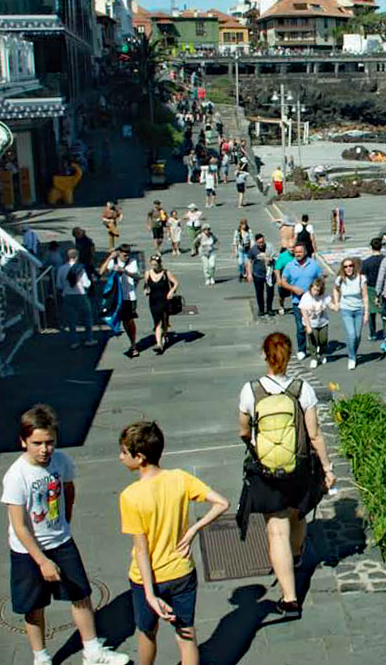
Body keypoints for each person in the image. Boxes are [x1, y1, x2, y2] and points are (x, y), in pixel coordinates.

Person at [2, 405, 129, 665]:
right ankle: (41, 657)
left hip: (60, 541)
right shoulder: (16, 476)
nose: (44, 449)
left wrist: (65, 519)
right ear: (23, 441)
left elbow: (68, 488)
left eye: (49, 442)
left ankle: (92, 651)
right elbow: (20, 526)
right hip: (28, 551)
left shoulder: (61, 461)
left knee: (80, 594)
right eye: (37, 443)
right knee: (33, 607)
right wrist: (42, 561)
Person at [236, 333, 335, 621]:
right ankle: (297, 555)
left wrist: (257, 447)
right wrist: (327, 468)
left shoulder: (251, 390)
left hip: (267, 470)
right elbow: (314, 435)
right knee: (298, 513)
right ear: (289, 357)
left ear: (265, 356)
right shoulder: (302, 389)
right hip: (299, 467)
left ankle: (290, 599)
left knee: (276, 530)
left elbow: (243, 430)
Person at [119, 421, 229, 665]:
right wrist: (193, 530)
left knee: (147, 633)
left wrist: (150, 594)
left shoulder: (130, 496)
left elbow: (141, 549)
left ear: (140, 457)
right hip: (182, 572)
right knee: (186, 634)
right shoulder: (180, 478)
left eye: (124, 452)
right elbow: (222, 503)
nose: (121, 457)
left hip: (148, 578)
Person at [279, 244, 324, 360]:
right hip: (297, 302)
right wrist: (293, 288)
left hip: (313, 301)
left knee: (315, 325)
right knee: (300, 327)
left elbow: (321, 279)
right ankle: (302, 349)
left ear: (305, 252)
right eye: (296, 252)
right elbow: (283, 282)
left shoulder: (314, 265)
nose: (298, 254)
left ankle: (316, 347)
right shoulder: (290, 266)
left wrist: (318, 291)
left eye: (300, 252)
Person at [104, 245, 141, 357]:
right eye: (125, 255)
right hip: (117, 296)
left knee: (129, 320)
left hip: (129, 296)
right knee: (124, 320)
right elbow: (102, 271)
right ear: (119, 253)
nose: (127, 256)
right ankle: (132, 343)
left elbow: (137, 276)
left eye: (128, 254)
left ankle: (133, 344)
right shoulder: (114, 261)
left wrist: (124, 270)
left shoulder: (132, 261)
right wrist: (110, 257)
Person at [332, 255, 366, 370]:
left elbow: (365, 296)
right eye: (345, 266)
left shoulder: (361, 278)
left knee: (357, 336)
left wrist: (366, 313)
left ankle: (353, 352)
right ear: (343, 268)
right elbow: (335, 289)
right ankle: (351, 357)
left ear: (354, 266)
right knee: (351, 335)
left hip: (359, 309)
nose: (348, 268)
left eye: (350, 266)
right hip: (346, 309)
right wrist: (336, 302)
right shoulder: (340, 279)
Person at [57, 248, 96, 348]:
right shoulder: (80, 268)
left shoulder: (61, 269)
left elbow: (59, 285)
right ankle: (89, 339)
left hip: (67, 295)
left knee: (71, 320)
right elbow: (86, 284)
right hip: (81, 295)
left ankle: (74, 341)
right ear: (77, 257)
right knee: (87, 317)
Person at [143, 255, 179, 355]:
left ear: (160, 264)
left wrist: (171, 291)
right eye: (152, 265)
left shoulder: (166, 273)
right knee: (157, 322)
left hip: (165, 300)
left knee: (164, 321)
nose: (153, 267)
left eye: (155, 265)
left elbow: (176, 283)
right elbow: (146, 285)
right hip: (153, 300)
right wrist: (145, 290)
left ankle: (164, 335)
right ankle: (159, 344)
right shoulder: (147, 273)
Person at [298, 277, 331, 368]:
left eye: (318, 290)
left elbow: (331, 304)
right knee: (313, 340)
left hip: (322, 322)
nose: (316, 292)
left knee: (323, 340)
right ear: (311, 287)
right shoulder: (306, 297)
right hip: (311, 323)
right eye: (314, 290)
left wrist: (335, 306)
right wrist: (308, 326)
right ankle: (314, 358)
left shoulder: (323, 296)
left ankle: (322, 353)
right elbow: (303, 312)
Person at [361, 238, 385, 341]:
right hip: (383, 287)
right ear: (381, 247)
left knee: (371, 312)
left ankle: (373, 333)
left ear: (371, 247)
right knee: (384, 312)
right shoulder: (385, 260)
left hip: (371, 287)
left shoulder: (366, 262)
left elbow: (362, 276)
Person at [247, 233, 275, 317]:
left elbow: (275, 256)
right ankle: (261, 309)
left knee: (270, 292)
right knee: (259, 292)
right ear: (256, 242)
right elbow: (249, 261)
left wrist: (271, 259)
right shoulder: (253, 249)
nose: (262, 244)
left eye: (263, 242)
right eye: (259, 242)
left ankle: (269, 309)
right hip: (258, 274)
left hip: (269, 273)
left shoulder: (269, 247)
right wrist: (249, 273)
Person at [272, 244, 295, 315]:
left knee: (296, 294)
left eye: (293, 247)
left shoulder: (298, 255)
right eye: (290, 247)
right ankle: (281, 306)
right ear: (287, 248)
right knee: (282, 296)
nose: (292, 249)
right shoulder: (282, 256)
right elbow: (277, 268)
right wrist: (278, 279)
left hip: (295, 280)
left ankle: (296, 307)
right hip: (284, 280)